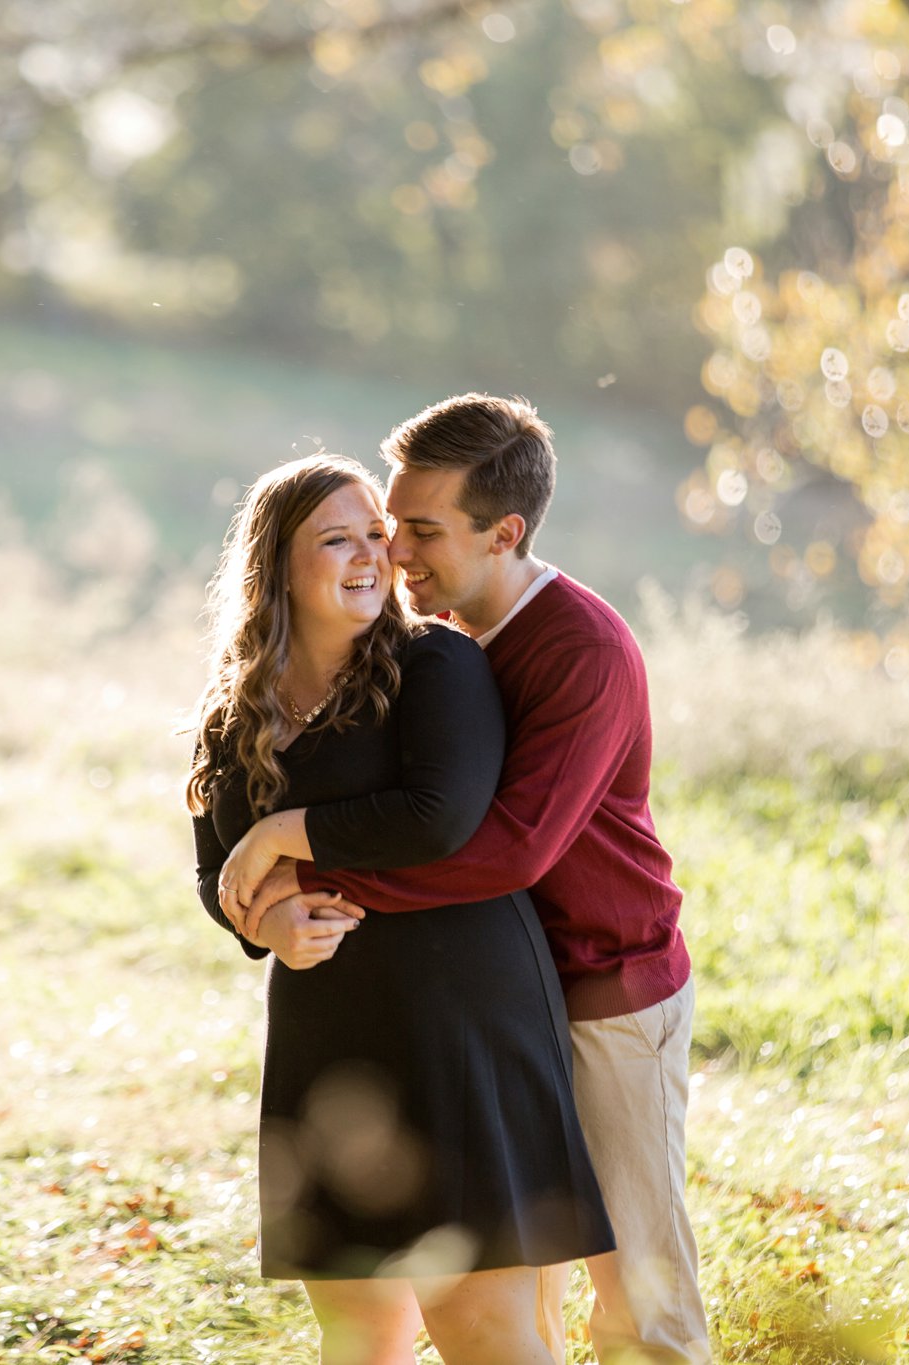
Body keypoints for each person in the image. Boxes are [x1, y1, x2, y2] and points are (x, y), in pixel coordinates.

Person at [225, 396, 714, 1364]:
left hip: (607, 989)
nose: (395, 554)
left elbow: (505, 851)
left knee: (636, 1289)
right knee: (518, 1296)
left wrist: (298, 861)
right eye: (388, 525)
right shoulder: (430, 636)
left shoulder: (579, 648)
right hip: (507, 1005)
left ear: (505, 533)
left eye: (420, 530)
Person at [188, 452, 614, 1365]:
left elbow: (440, 815)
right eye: (337, 537)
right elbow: (216, 876)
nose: (372, 555)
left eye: (378, 535)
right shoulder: (235, 706)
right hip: (326, 1034)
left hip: (459, 1018)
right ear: (275, 565)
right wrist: (262, 924)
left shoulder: (435, 661)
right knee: (357, 1335)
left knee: (483, 1330)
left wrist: (285, 833)